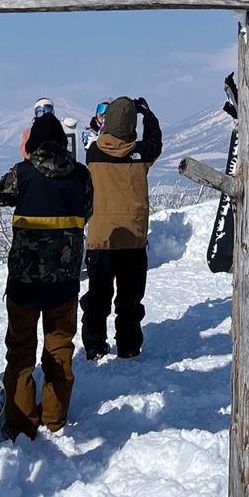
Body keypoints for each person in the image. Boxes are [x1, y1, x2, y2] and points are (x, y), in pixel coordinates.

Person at [0, 112, 93, 439]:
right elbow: (87, 209)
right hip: (64, 282)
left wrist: (25, 162)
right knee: (59, 347)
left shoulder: (21, 174)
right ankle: (54, 417)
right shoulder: (82, 175)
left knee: (21, 350)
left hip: (24, 281)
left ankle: (21, 422)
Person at [81, 95, 162, 359]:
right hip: (133, 238)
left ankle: (94, 345)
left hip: (101, 238)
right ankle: (128, 345)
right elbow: (155, 141)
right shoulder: (141, 154)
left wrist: (97, 122)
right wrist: (146, 113)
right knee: (129, 298)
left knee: (98, 295)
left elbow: (92, 135)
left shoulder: (93, 153)